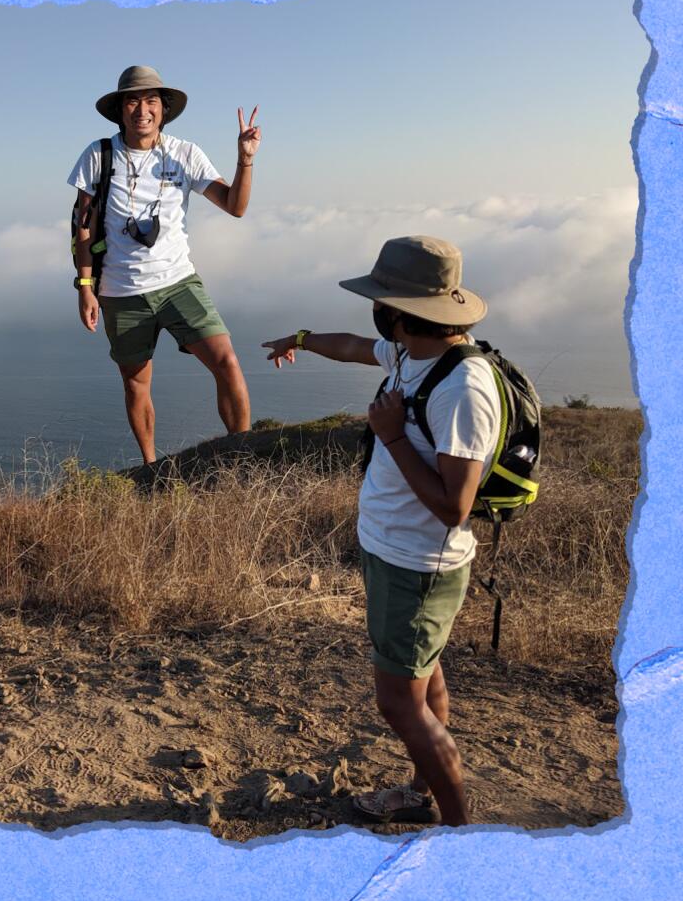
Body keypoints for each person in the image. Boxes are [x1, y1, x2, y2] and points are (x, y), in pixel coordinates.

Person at [262, 236, 500, 826]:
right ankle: (423, 794)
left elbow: (455, 506)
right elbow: (350, 347)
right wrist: (299, 341)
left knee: (399, 705)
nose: (373, 312)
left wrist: (391, 434)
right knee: (423, 679)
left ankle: (457, 830)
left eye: (379, 300)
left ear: (399, 313)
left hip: (419, 565)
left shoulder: (461, 389)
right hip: (395, 552)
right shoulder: (415, 354)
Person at [69, 65, 261, 464]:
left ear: (164, 109)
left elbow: (235, 207)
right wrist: (85, 287)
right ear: (120, 110)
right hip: (120, 292)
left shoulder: (185, 153)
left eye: (151, 101)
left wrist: (245, 160)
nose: (143, 109)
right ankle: (151, 468)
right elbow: (82, 225)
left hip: (178, 281)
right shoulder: (98, 155)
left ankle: (243, 457)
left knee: (227, 363)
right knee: (137, 383)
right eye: (133, 100)